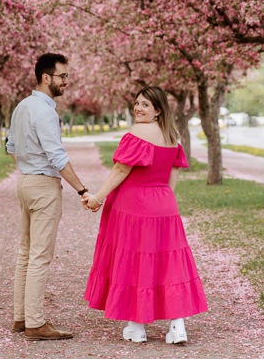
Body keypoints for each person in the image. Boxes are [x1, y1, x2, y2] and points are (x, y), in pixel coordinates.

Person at [82, 86, 208, 344]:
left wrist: (98, 197)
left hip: (134, 206)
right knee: (168, 264)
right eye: (137, 103)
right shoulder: (174, 137)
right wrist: (162, 206)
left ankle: (137, 326)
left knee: (134, 262)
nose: (138, 108)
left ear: (158, 111)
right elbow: (172, 179)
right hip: (164, 206)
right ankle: (176, 325)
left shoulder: (139, 132)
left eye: (146, 105)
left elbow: (120, 169)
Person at [6, 53, 92, 341]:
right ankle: (35, 323)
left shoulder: (22, 106)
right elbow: (57, 157)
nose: (66, 81)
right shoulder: (44, 110)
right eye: (62, 76)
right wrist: (82, 189)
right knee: (40, 256)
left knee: (25, 253)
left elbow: (11, 147)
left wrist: (29, 163)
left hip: (25, 182)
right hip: (42, 186)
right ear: (46, 77)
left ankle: (21, 317)